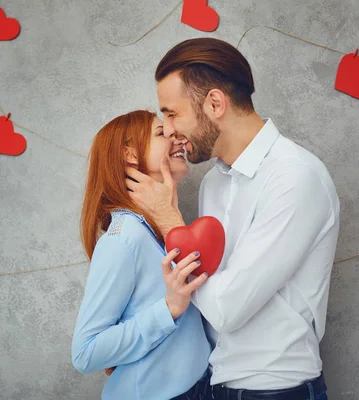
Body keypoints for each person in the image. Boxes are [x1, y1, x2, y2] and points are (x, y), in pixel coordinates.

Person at [125, 38, 340, 400]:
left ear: (214, 103)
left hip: (275, 391)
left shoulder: (295, 177)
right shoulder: (213, 183)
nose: (168, 129)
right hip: (215, 383)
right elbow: (205, 293)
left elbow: (227, 310)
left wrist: (169, 221)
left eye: (172, 113)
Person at [71, 110, 212, 400]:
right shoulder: (124, 238)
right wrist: (169, 308)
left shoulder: (157, 228)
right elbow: (85, 352)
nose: (174, 138)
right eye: (161, 133)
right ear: (129, 155)